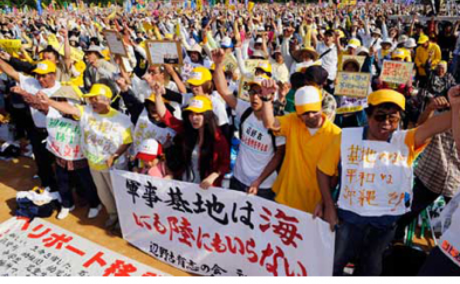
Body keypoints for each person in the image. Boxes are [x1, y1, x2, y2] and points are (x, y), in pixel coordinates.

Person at [315, 89, 453, 276]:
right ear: (368, 115)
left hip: (385, 224)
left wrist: (456, 104)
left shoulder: (404, 141)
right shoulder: (345, 137)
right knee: (335, 262)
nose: (386, 124)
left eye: (393, 119)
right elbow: (323, 171)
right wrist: (328, 206)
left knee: (371, 267)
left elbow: (434, 126)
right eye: (380, 117)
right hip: (349, 219)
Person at [38, 83, 133, 228]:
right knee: (104, 194)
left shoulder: (121, 119)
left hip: (112, 166)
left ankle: (123, 221)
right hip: (94, 164)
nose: (92, 102)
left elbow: (127, 141)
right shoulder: (87, 112)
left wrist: (114, 155)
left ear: (107, 100)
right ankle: (113, 215)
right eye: (91, 99)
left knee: (118, 194)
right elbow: (69, 109)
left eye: (96, 99)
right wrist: (49, 102)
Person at [212, 48, 285, 200]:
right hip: (238, 179)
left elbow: (278, 155)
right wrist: (218, 65)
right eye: (252, 92)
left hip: (263, 186)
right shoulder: (245, 110)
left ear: (270, 96)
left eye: (260, 93)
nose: (255, 97)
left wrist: (259, 181)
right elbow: (223, 90)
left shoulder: (278, 121)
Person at [261, 81, 341, 213]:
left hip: (314, 207)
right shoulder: (293, 121)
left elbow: (334, 177)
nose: (310, 116)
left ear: (321, 107)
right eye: (304, 113)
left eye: (314, 111)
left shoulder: (336, 135)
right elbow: (270, 124)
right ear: (298, 113)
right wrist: (266, 99)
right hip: (285, 198)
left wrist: (323, 202)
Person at [153, 83, 230, 189]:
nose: (194, 118)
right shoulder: (186, 130)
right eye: (191, 114)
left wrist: (211, 178)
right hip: (185, 184)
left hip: (207, 188)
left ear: (207, 116)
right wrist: (157, 94)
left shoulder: (218, 138)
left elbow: (225, 163)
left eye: (198, 114)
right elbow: (165, 116)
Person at [418, 85, 460, 276]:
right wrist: (430, 109)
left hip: (452, 184)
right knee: (403, 218)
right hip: (429, 178)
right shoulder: (442, 116)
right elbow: (418, 131)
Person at [0, 59, 60, 191]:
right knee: (41, 160)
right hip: (37, 130)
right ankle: (48, 186)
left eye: (43, 76)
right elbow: (11, 71)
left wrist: (24, 94)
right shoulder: (32, 83)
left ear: (53, 75)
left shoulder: (61, 90)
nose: (40, 79)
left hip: (55, 131)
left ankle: (68, 192)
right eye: (38, 75)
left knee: (59, 163)